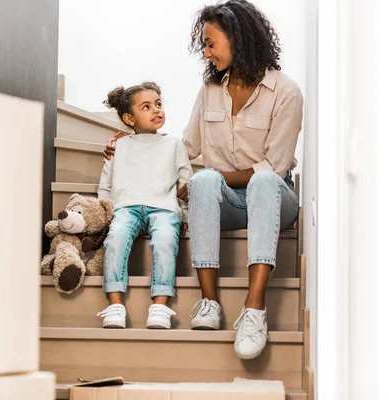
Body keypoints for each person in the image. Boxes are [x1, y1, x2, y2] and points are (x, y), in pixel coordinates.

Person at [103, 0, 303, 359]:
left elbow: (273, 165)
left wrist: (214, 174)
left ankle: (254, 309)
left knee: (258, 182)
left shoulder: (286, 92)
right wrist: (133, 143)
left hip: (275, 197)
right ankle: (209, 302)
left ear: (238, 38)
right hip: (225, 200)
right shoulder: (210, 90)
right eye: (205, 45)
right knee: (206, 182)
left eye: (211, 43)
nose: (207, 53)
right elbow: (188, 145)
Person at [96, 82, 193, 330]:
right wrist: (104, 212)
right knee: (116, 237)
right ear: (129, 118)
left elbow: (186, 184)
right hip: (126, 207)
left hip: (164, 208)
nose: (156, 110)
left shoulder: (174, 144)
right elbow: (105, 184)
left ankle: (160, 305)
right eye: (146, 107)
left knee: (165, 241)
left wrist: (186, 217)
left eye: (158, 104)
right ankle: (115, 304)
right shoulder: (118, 145)